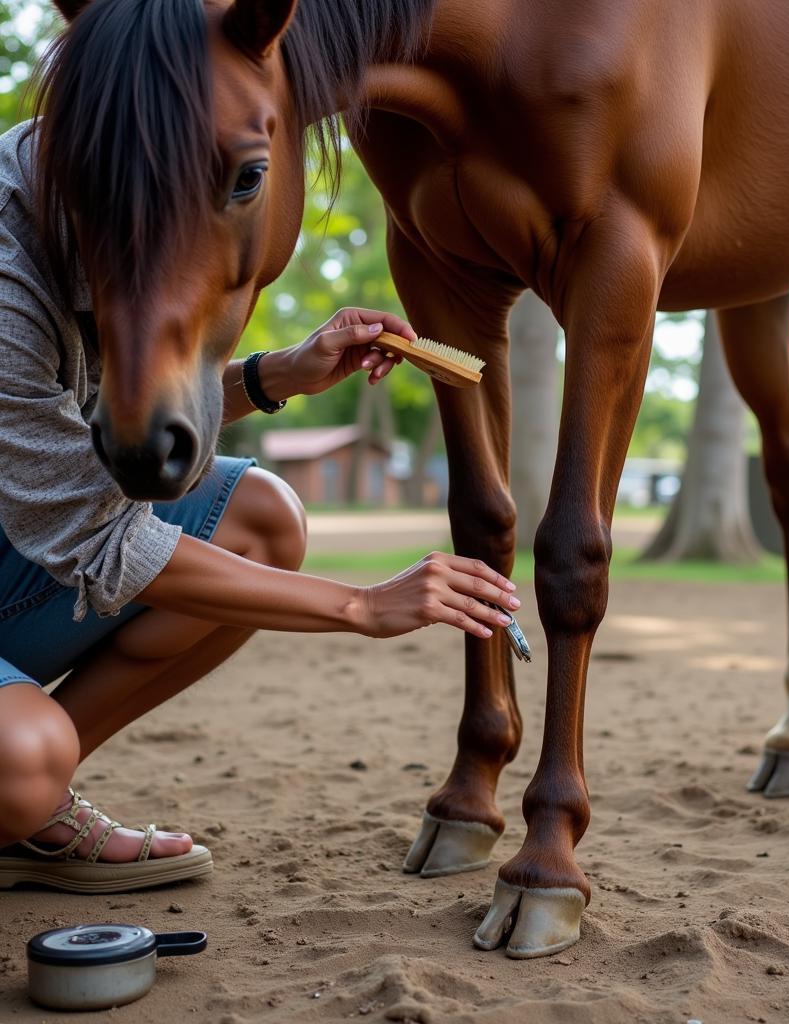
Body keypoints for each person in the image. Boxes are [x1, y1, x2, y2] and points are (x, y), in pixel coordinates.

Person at [0, 119, 520, 893]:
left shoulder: (149, 187)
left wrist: (277, 374)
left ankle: (27, 810)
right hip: (52, 536)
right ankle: (25, 788)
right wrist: (362, 605)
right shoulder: (13, 277)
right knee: (25, 757)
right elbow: (95, 535)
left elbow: (92, 436)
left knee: (262, 517)